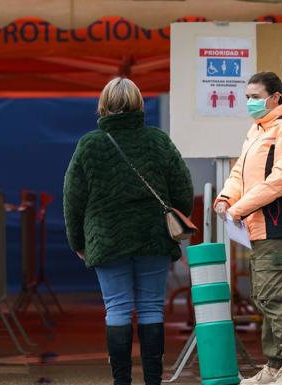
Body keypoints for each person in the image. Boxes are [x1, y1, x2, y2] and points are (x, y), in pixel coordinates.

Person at [63, 77, 193, 385]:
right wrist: (175, 217)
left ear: (103, 105)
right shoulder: (158, 141)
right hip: (154, 238)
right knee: (150, 308)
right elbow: (183, 190)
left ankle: (121, 381)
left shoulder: (89, 144)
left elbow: (72, 199)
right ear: (139, 104)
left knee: (117, 308)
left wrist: (78, 242)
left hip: (107, 240)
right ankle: (152, 381)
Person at [214, 72, 282, 385]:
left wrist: (239, 208)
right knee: (264, 296)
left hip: (276, 224)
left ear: (274, 97)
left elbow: (280, 179)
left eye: (255, 96)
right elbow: (239, 170)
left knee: (273, 296)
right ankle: (275, 367)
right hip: (257, 226)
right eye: (246, 96)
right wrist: (225, 197)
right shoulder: (258, 129)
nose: (249, 102)